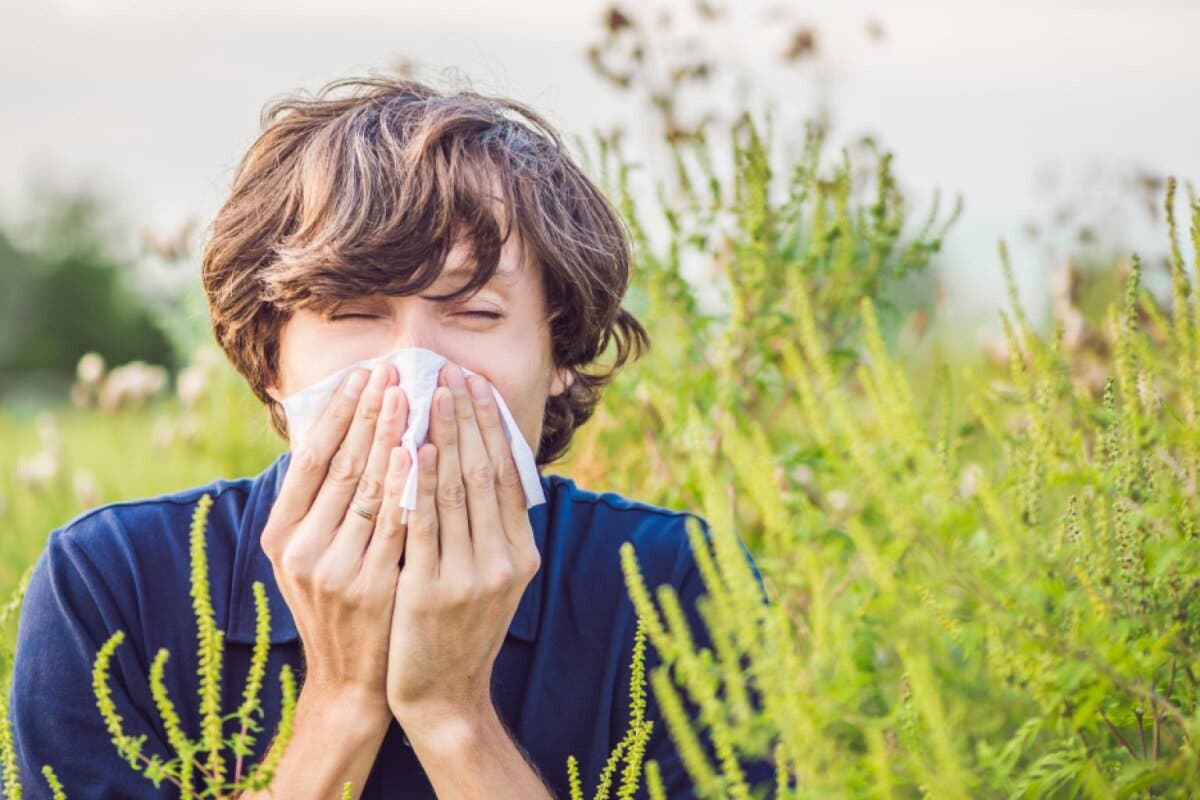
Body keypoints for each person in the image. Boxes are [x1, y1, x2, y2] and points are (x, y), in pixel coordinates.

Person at [7, 75, 773, 799]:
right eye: (353, 312)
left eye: (474, 313)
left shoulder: (673, 586)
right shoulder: (113, 586)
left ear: (561, 354)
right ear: (271, 358)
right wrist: (341, 702)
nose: (416, 367)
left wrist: (454, 715)